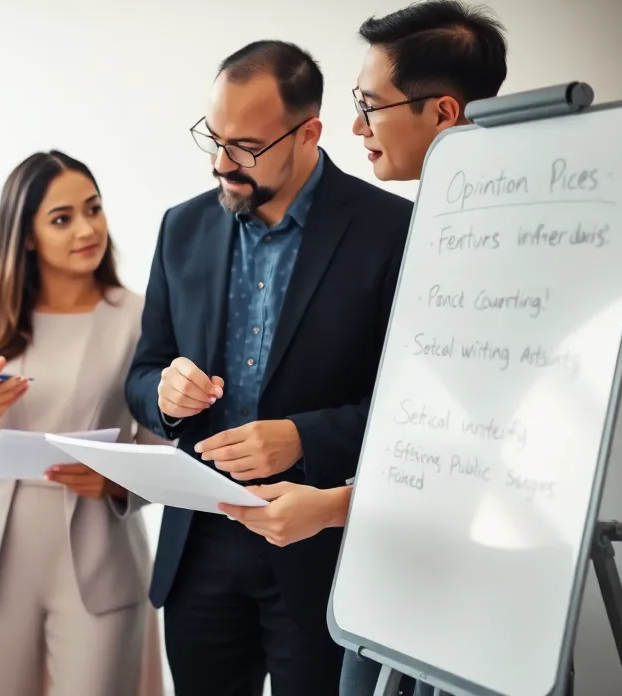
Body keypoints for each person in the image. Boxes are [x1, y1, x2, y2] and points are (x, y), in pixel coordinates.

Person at [214, 0, 508, 696]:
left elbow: (473, 452)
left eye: (369, 105)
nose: (354, 126)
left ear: (441, 113)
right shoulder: (440, 224)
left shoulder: (491, 248)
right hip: (383, 580)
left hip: (458, 590)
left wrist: (328, 506)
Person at [124, 41, 414, 695]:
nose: (222, 164)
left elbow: (409, 412)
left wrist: (303, 438)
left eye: (246, 147)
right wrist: (165, 395)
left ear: (309, 132)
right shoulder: (182, 228)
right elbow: (141, 375)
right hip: (197, 548)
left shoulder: (392, 231)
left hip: (319, 550)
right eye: (214, 139)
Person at [0, 151, 165, 696]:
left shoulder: (140, 316)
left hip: (101, 554)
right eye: (62, 218)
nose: (87, 229)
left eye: (94, 209)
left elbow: (162, 449)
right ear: (27, 235)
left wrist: (114, 481)